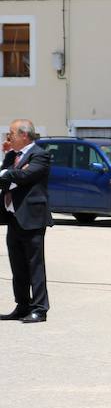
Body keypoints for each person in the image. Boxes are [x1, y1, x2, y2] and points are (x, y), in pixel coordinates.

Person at [0, 119, 52, 324]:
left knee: (35, 266)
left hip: (32, 218)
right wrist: (7, 160)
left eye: (11, 133)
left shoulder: (40, 154)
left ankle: (39, 309)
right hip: (13, 216)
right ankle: (22, 305)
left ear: (24, 135)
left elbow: (25, 176)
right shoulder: (13, 155)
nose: (8, 137)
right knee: (17, 265)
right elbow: (6, 177)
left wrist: (12, 174)